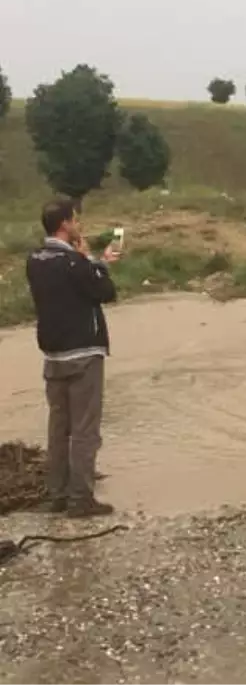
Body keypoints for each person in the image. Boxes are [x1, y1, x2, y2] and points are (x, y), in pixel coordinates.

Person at [25, 198, 121, 518]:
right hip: (83, 351)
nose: (79, 224)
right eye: (75, 219)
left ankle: (58, 494)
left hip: (53, 356)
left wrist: (91, 261)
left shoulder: (35, 260)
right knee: (85, 430)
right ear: (65, 224)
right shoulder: (74, 263)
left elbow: (79, 284)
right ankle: (81, 499)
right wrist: (95, 261)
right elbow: (104, 291)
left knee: (58, 427)